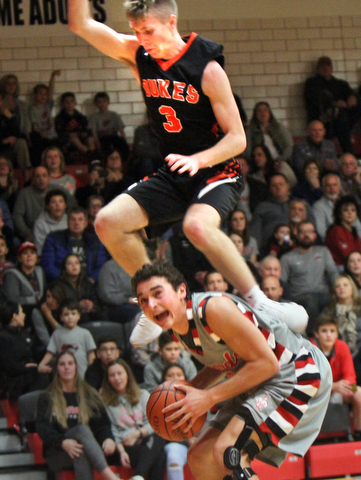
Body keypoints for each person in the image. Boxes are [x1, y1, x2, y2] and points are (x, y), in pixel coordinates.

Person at [69, 0, 283, 347]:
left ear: (171, 22)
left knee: (196, 226)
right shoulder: (140, 54)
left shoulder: (207, 68)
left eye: (148, 31)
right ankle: (155, 303)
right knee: (107, 222)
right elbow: (82, 25)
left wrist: (199, 159)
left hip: (216, 168)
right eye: (137, 32)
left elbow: (238, 139)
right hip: (175, 171)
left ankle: (261, 300)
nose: (142, 38)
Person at [131, 261, 332, 480]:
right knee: (200, 457)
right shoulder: (177, 326)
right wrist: (192, 390)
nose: (151, 304)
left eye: (157, 293)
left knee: (230, 452)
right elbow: (225, 360)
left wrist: (208, 397)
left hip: (296, 372)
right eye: (143, 301)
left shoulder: (213, 309)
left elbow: (267, 364)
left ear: (181, 290)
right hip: (261, 379)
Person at [35, 350, 120, 480]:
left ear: (76, 366)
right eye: (62, 364)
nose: (67, 367)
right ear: (57, 369)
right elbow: (43, 427)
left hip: (84, 447)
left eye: (70, 363)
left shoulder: (89, 394)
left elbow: (101, 424)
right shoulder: (47, 397)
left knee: (80, 449)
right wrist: (62, 442)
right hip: (58, 451)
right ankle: (112, 478)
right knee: (81, 431)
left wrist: (107, 438)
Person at [101, 358, 166, 480]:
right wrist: (121, 452)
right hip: (125, 445)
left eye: (120, 373)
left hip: (145, 440)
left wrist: (138, 434)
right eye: (112, 375)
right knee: (159, 457)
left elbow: (154, 422)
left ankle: (138, 476)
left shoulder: (143, 394)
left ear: (127, 374)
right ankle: (138, 476)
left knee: (159, 436)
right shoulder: (105, 403)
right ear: (108, 379)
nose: (117, 378)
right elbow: (112, 431)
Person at [311, 313, 361, 441]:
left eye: (332, 331)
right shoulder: (309, 350)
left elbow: (351, 376)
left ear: (336, 333)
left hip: (338, 390)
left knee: (359, 392)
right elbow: (309, 383)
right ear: (316, 334)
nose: (329, 335)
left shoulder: (342, 346)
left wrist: (346, 385)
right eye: (324, 331)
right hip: (315, 394)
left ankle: (359, 434)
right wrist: (333, 386)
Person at [280, 220, 338, 335]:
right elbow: (282, 282)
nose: (306, 235)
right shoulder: (287, 258)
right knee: (310, 300)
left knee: (337, 300)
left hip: (323, 294)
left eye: (310, 231)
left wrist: (339, 288)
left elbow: (333, 273)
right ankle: (312, 336)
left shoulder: (323, 252)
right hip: (299, 297)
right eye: (303, 232)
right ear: (296, 235)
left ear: (315, 235)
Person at [304, 56, 358, 154]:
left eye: (328, 66)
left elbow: (350, 92)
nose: (325, 68)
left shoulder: (341, 84)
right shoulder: (312, 83)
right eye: (322, 66)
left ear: (332, 68)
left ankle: (349, 156)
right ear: (317, 69)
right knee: (342, 119)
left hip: (343, 121)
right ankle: (349, 154)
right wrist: (335, 104)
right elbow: (314, 101)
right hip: (323, 119)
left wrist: (352, 97)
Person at [41, 206, 108, 282]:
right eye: (73, 219)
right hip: (62, 284)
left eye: (80, 219)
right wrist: (68, 280)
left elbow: (101, 266)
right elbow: (48, 266)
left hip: (89, 284)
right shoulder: (54, 239)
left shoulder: (95, 241)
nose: (76, 223)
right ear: (67, 222)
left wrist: (91, 280)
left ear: (86, 223)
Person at [13, 165, 76, 242]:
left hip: (60, 230)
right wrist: (27, 234)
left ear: (49, 178)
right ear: (33, 179)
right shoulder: (24, 194)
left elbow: (73, 207)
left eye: (44, 176)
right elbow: (17, 216)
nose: (41, 179)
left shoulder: (59, 190)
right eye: (38, 176)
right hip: (32, 233)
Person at [0, 302, 48, 399]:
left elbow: (33, 353)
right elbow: (9, 366)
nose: (24, 315)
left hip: (29, 373)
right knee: (41, 376)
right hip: (14, 380)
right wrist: (29, 367)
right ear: (15, 316)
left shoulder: (24, 333)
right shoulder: (3, 338)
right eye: (21, 312)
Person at [38, 299, 96, 378]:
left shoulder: (85, 333)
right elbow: (50, 352)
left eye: (73, 314)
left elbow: (91, 354)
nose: (70, 317)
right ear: (61, 317)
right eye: (66, 314)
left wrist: (92, 370)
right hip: (64, 374)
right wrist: (42, 364)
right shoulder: (57, 333)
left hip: (83, 374)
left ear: (79, 316)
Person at [162, 363, 197, 480]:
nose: (175, 378)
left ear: (185, 378)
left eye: (179, 374)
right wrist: (187, 440)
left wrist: (199, 439)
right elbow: (160, 431)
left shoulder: (196, 396)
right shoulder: (157, 402)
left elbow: (207, 421)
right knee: (173, 456)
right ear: (163, 380)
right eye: (170, 375)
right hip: (177, 444)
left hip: (199, 441)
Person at [2, 241, 46, 322]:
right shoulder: (11, 274)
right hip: (21, 315)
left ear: (37, 257)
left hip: (41, 311)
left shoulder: (40, 271)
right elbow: (12, 301)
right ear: (19, 258)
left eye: (32, 253)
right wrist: (35, 299)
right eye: (25, 253)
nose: (29, 256)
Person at [320, 274, 361, 355]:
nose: (342, 288)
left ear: (352, 288)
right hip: (337, 351)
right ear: (334, 291)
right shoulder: (330, 310)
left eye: (345, 285)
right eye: (338, 286)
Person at [57, 254, 101, 323]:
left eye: (76, 263)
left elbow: (95, 298)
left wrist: (91, 304)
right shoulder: (59, 285)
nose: (74, 266)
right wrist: (78, 305)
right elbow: (61, 305)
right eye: (70, 263)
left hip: (88, 312)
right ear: (64, 268)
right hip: (70, 316)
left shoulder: (86, 281)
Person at [29, 70, 61, 165]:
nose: (43, 96)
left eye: (45, 94)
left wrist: (52, 76)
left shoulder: (47, 105)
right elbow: (34, 126)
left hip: (52, 136)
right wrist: (41, 134)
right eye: (40, 93)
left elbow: (51, 90)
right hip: (42, 137)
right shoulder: (33, 109)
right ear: (35, 95)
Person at [97, 258, 141, 324]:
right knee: (137, 314)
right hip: (114, 307)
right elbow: (107, 295)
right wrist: (129, 300)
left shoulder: (137, 266)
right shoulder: (109, 267)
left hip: (137, 303)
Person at [88, 91, 130, 162]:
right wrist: (97, 144)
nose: (102, 104)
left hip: (113, 136)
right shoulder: (94, 116)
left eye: (104, 101)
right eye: (99, 102)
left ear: (108, 102)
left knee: (123, 146)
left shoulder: (114, 115)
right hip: (102, 136)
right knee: (106, 147)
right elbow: (93, 131)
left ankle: (122, 162)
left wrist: (124, 140)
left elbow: (121, 129)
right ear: (96, 104)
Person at [0, 91, 32, 180]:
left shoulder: (6, 116)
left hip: (7, 150)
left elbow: (17, 134)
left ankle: (27, 179)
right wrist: (3, 141)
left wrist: (11, 118)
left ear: (2, 102)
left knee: (21, 143)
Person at [325, 195, 361, 267]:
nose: (350, 213)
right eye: (346, 210)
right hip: (340, 267)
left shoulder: (352, 230)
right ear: (339, 214)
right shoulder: (336, 230)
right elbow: (347, 256)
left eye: (353, 210)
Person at [55, 91, 96, 157]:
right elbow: (60, 131)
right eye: (66, 102)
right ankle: (88, 153)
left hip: (81, 136)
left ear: (75, 103)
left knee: (90, 138)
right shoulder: (60, 118)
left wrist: (83, 133)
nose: (69, 104)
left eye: (71, 101)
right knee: (74, 138)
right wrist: (70, 134)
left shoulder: (80, 117)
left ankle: (93, 153)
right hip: (68, 139)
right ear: (62, 104)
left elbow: (86, 128)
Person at [31, 281, 67, 349]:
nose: (49, 301)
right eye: (48, 296)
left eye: (54, 297)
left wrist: (49, 317)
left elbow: (66, 335)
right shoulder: (37, 312)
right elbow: (46, 341)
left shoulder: (65, 309)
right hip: (46, 350)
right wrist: (48, 316)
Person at [33, 188, 68, 256]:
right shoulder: (40, 224)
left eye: (61, 201)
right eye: (53, 202)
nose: (58, 205)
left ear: (65, 205)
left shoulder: (69, 220)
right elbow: (40, 250)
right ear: (48, 206)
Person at [339, 153, 361, 225]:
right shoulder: (338, 181)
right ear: (341, 167)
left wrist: (358, 182)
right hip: (349, 212)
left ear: (356, 166)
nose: (348, 166)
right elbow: (348, 200)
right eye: (345, 164)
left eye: (351, 163)